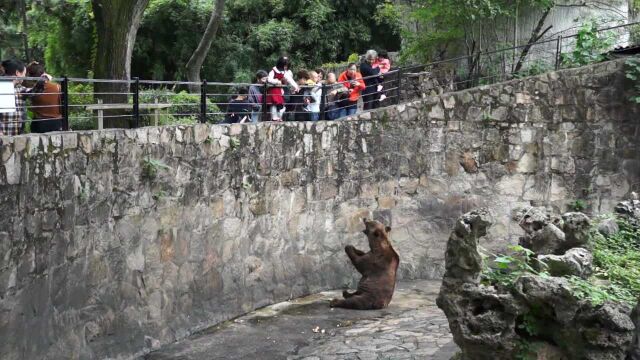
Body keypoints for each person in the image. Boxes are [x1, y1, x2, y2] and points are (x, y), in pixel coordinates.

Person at [0, 59, 46, 136]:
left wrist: (42, 81)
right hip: (3, 134)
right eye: (24, 74)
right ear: (17, 73)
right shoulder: (2, 87)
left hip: (16, 133)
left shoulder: (20, 88)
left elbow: (34, 92)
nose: (25, 76)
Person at [26, 62, 62, 133]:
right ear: (44, 72)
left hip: (39, 123)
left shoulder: (32, 90)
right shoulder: (57, 87)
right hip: (56, 122)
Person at [267, 56, 299, 122]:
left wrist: (296, 86)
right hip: (273, 90)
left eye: (287, 66)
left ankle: (279, 117)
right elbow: (269, 79)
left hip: (279, 91)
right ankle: (274, 117)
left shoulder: (284, 72)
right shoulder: (273, 71)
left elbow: (290, 80)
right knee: (273, 104)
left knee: (280, 104)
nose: (286, 67)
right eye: (285, 65)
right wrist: (277, 81)